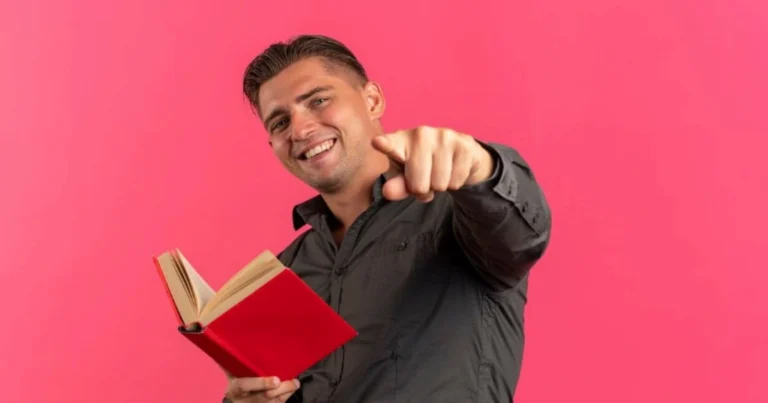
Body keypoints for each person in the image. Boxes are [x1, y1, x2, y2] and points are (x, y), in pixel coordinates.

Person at [224, 34, 552, 403]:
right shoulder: (286, 270)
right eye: (280, 123)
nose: (299, 130)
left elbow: (522, 235)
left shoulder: (460, 212)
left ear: (372, 100)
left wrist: (480, 165)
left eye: (318, 100)